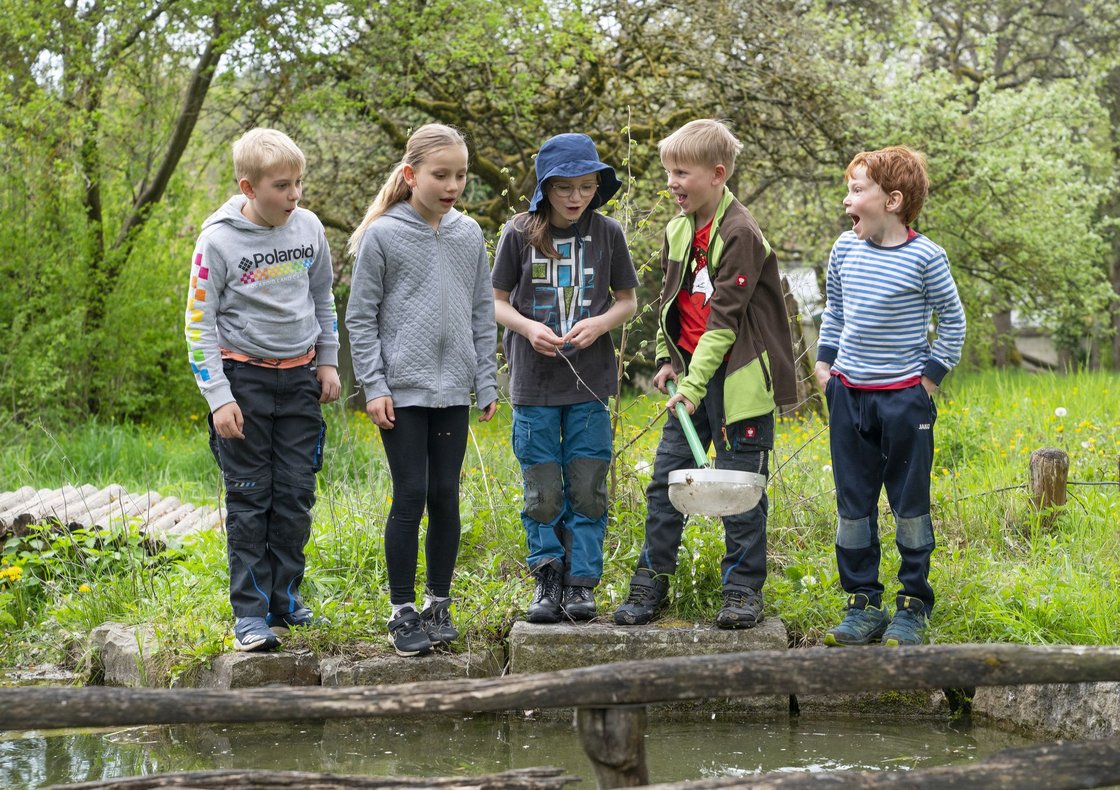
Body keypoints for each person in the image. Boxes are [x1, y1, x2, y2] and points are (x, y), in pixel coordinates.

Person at [613, 119, 797, 629]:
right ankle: (650, 584)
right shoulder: (680, 227)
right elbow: (671, 301)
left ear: (717, 174)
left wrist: (693, 388)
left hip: (737, 381)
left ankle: (741, 591)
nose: (671, 182)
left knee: (741, 486)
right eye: (667, 171)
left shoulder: (740, 233)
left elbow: (723, 323)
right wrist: (667, 359)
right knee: (667, 482)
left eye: (681, 172)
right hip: (692, 378)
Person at [185, 128, 341, 653]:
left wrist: (328, 362)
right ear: (248, 187)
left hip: (299, 380)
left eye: (299, 183)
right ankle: (250, 616)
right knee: (251, 500)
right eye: (282, 186)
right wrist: (219, 397)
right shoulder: (217, 241)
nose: (294, 195)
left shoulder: (310, 228)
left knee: (295, 495)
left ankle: (285, 600)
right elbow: (198, 325)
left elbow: (323, 298)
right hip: (244, 382)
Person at [347, 123, 498, 657]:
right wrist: (374, 385)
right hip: (401, 391)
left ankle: (439, 603)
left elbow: (482, 310)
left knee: (446, 495)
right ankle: (401, 610)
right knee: (411, 494)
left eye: (460, 175)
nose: (453, 184)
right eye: (441, 175)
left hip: (455, 387)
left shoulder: (470, 234)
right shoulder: (383, 235)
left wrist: (485, 378)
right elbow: (360, 319)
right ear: (410, 175)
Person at [814, 145, 966, 647]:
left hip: (904, 401)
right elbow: (834, 310)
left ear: (893, 200)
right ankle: (862, 602)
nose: (847, 199)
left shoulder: (926, 257)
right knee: (853, 506)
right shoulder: (844, 250)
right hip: (849, 396)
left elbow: (954, 323)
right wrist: (825, 365)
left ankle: (913, 603)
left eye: (857, 191)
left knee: (910, 506)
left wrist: (927, 380)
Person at [492, 133, 638, 623]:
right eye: (565, 188)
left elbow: (627, 300)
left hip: (591, 383)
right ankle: (547, 576)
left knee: (588, 482)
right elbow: (495, 302)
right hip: (534, 384)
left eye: (586, 186)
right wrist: (529, 327)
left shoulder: (608, 233)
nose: (576, 198)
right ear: (545, 188)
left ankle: (581, 583)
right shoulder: (518, 233)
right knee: (543, 486)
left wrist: (601, 324)